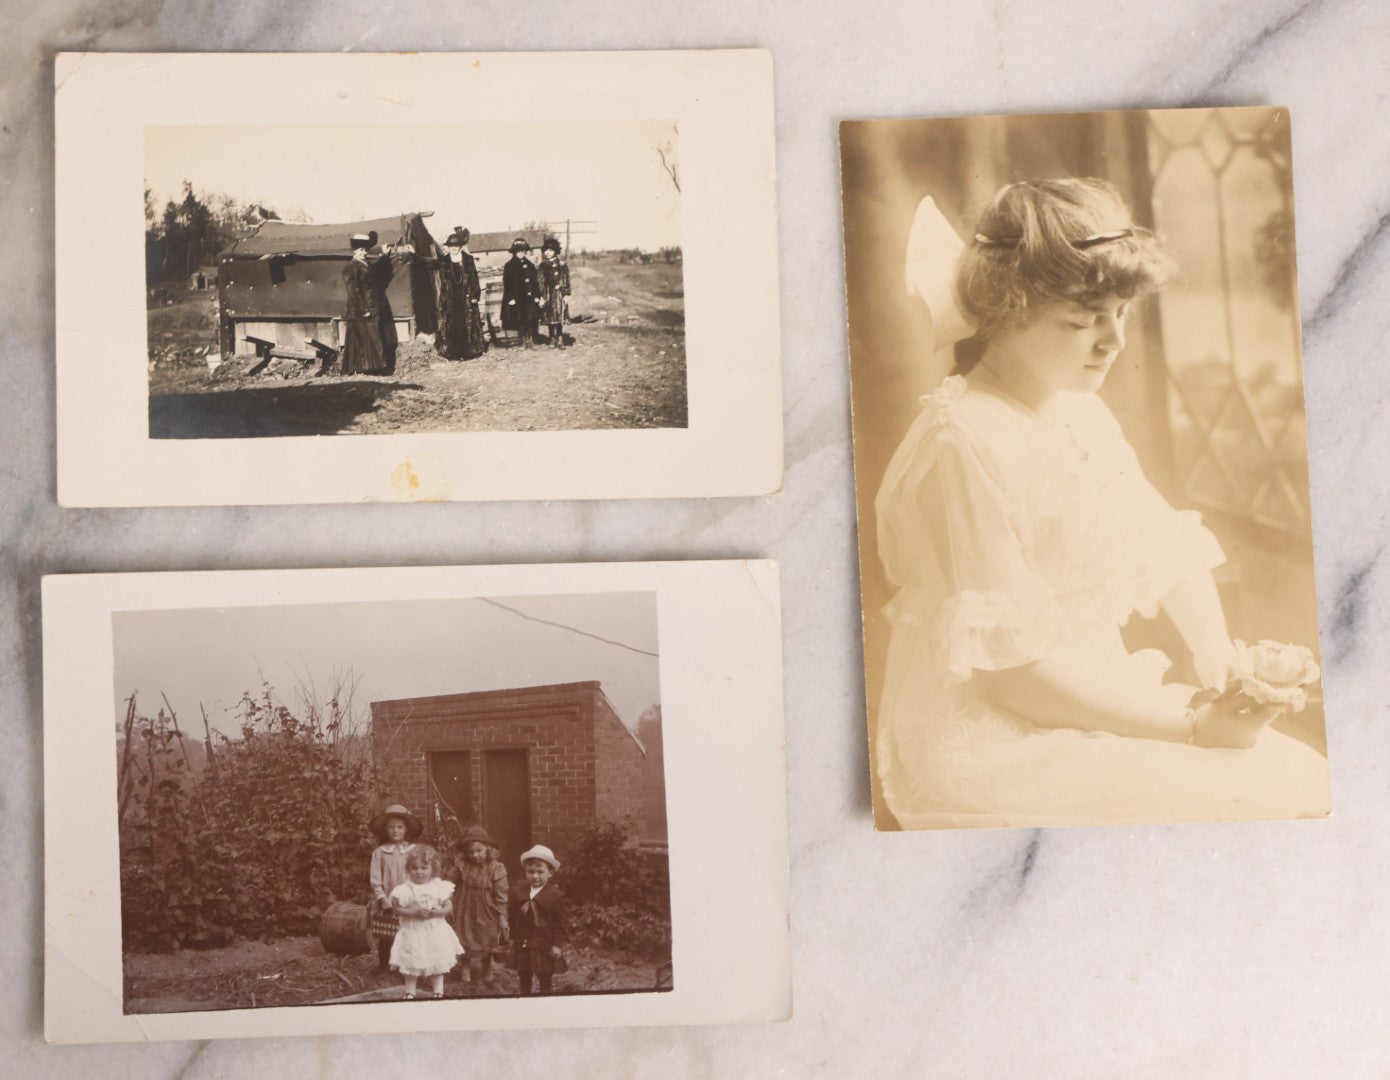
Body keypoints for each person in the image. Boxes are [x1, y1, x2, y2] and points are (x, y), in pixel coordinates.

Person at [874, 178, 1330, 829]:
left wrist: (1223, 667)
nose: (1113, 340)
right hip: (1003, 729)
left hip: (1097, 695)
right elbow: (1012, 675)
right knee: (1255, 795)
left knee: (1294, 775)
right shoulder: (962, 441)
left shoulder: (1080, 413)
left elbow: (1163, 547)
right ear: (1006, 311)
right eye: (1082, 320)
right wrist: (1192, 728)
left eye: (1121, 313)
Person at [387, 845, 465, 1000]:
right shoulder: (405, 889)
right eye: (414, 868)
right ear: (409, 869)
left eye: (424, 868)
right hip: (412, 932)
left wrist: (438, 912)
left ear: (432, 869)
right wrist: (414, 913)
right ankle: (410, 991)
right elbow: (397, 909)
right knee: (410, 962)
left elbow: (448, 906)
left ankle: (438, 990)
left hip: (434, 931)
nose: (419, 872)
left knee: (437, 960)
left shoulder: (439, 886)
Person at [444, 825, 509, 990]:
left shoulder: (496, 868)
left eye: (479, 850)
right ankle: (465, 970)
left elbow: (501, 894)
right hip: (464, 906)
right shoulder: (462, 864)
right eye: (471, 852)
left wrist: (502, 917)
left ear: (488, 849)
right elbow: (449, 884)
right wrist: (447, 902)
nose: (475, 855)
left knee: (486, 937)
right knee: (463, 935)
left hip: (486, 909)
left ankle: (487, 971)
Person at [508, 844, 568, 996]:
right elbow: (512, 916)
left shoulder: (554, 896)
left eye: (540, 872)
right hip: (524, 944)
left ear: (550, 873)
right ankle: (525, 998)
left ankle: (544, 1000)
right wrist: (513, 937)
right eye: (530, 871)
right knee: (524, 975)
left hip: (544, 945)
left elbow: (561, 923)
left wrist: (557, 945)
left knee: (545, 977)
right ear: (525, 871)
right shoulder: (518, 893)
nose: (535, 876)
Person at [367, 803, 421, 972]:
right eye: (391, 827)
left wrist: (416, 896)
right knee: (387, 934)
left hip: (409, 901)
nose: (395, 831)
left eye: (399, 827)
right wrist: (382, 898)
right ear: (386, 830)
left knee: (409, 933)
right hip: (388, 901)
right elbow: (375, 878)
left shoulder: (414, 851)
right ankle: (384, 965)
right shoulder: (380, 852)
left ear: (406, 829)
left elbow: (420, 874)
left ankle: (407, 967)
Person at [340, 232, 392, 374]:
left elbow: (377, 268)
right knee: (366, 338)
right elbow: (353, 291)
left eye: (366, 249)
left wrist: (385, 255)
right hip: (360, 309)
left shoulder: (366, 265)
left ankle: (368, 369)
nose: (364, 252)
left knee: (369, 338)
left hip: (371, 307)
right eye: (361, 250)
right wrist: (363, 309)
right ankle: (370, 369)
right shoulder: (351, 268)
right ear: (354, 250)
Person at [433, 227, 487, 361]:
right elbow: (428, 264)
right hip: (450, 298)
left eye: (456, 246)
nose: (454, 248)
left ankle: (468, 352)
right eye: (451, 246)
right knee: (452, 324)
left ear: (460, 247)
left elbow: (474, 278)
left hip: (466, 297)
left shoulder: (468, 259)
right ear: (448, 247)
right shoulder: (444, 260)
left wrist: (475, 295)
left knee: (467, 323)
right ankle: (453, 353)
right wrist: (414, 255)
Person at [501, 237, 541, 347]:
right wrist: (510, 298)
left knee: (531, 318)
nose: (521, 253)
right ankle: (523, 340)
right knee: (520, 319)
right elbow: (507, 283)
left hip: (529, 297)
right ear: (514, 252)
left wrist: (536, 295)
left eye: (523, 251)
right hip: (517, 297)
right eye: (518, 251)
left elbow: (535, 282)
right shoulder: (509, 265)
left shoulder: (530, 265)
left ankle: (530, 339)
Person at [537, 235, 571, 348]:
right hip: (547, 294)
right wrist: (541, 296)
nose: (548, 252)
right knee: (549, 316)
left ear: (556, 251)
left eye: (550, 250)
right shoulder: (542, 266)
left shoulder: (562, 265)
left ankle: (560, 338)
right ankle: (552, 338)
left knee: (559, 315)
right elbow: (540, 281)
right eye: (546, 250)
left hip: (558, 294)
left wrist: (566, 294)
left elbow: (566, 280)